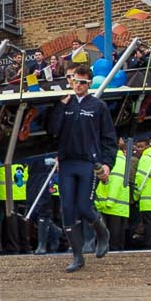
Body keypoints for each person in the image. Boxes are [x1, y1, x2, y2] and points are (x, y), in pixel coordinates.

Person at [46, 66, 118, 272]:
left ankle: (102, 233)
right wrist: (60, 107)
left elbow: (109, 138)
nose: (78, 85)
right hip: (67, 162)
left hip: (88, 163)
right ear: (70, 81)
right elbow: (52, 130)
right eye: (75, 81)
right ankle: (77, 256)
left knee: (85, 207)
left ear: (89, 83)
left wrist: (107, 163)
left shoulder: (98, 106)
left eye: (83, 82)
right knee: (67, 209)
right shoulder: (63, 103)